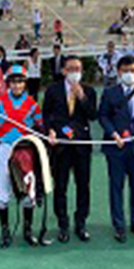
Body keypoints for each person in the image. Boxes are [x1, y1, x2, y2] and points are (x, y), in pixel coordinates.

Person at [97, 55, 134, 242]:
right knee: (116, 187)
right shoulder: (110, 92)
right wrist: (113, 133)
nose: (129, 74)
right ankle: (119, 225)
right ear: (118, 72)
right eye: (125, 71)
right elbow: (103, 116)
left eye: (132, 71)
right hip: (116, 148)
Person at [43, 55, 97, 243]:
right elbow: (46, 114)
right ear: (64, 71)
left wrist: (81, 96)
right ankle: (63, 225)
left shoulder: (89, 91)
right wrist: (49, 130)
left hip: (82, 146)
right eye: (71, 69)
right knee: (61, 187)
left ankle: (81, 223)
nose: (75, 72)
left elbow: (92, 115)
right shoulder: (53, 90)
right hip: (61, 147)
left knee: (83, 186)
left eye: (78, 69)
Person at [0, 64, 45, 248]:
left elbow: (40, 125)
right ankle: (5, 232)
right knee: (4, 191)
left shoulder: (32, 104)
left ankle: (27, 231)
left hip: (25, 149)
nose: (17, 85)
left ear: (25, 84)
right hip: (6, 148)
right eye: (13, 82)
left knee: (27, 191)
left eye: (20, 82)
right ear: (8, 84)